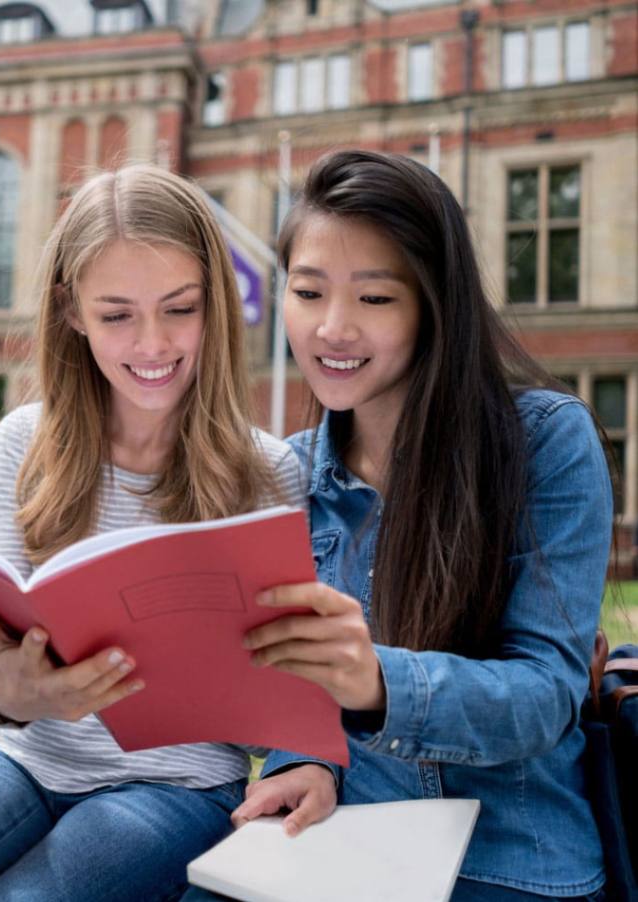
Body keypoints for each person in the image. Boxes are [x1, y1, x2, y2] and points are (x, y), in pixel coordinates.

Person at [0, 163, 307, 902]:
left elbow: (278, 706)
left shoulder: (268, 472)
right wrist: (24, 691)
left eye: (180, 309)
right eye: (117, 315)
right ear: (71, 313)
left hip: (178, 786)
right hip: (22, 758)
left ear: (216, 306)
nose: (152, 343)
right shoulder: (22, 443)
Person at [184, 150, 612, 901]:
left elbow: (547, 691)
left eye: (376, 299)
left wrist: (377, 681)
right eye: (308, 292)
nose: (333, 329)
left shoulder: (547, 440)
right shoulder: (289, 471)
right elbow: (293, 701)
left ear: (433, 306)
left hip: (510, 853)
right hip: (337, 842)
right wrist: (298, 760)